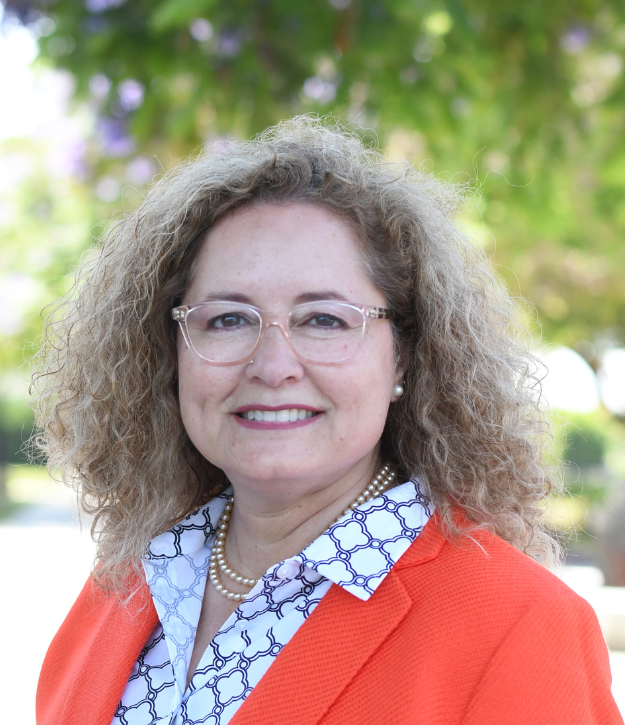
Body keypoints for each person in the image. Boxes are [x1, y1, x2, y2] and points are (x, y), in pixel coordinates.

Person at [34, 117, 622, 725]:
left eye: (325, 320)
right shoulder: (125, 588)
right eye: (229, 319)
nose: (272, 364)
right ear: (169, 354)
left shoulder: (519, 626)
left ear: (405, 358)